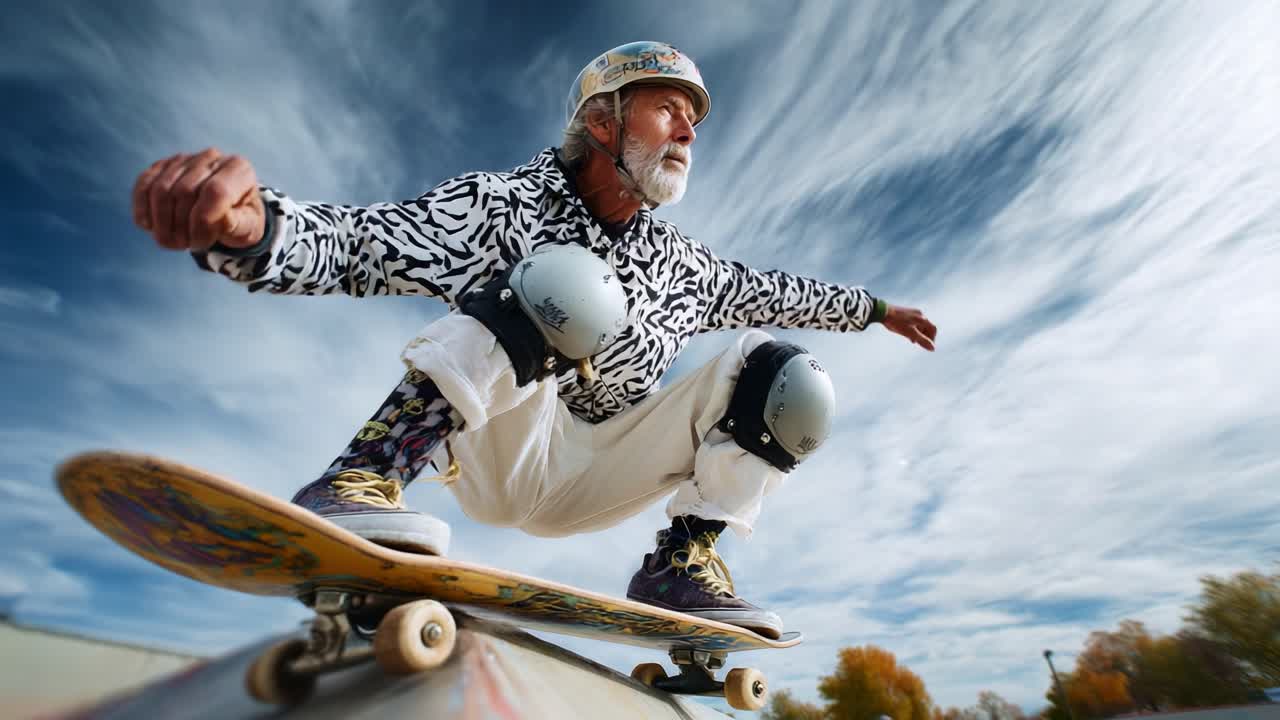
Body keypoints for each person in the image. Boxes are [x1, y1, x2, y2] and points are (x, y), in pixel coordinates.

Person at [130, 41, 937, 638]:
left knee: (788, 374)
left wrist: (874, 310)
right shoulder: (500, 204)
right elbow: (362, 243)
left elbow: (776, 289)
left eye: (693, 122)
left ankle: (682, 563)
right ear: (601, 117)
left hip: (604, 468)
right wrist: (250, 227)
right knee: (569, 281)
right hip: (501, 445)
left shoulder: (682, 265)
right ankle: (365, 476)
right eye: (668, 112)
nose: (687, 133)